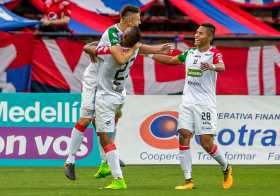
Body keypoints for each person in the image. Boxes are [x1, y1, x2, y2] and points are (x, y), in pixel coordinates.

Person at [64, 4, 171, 180]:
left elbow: (136, 45)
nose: (140, 22)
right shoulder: (113, 34)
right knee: (86, 118)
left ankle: (107, 159)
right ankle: (70, 160)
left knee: (111, 119)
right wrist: (90, 48)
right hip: (95, 80)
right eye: (138, 18)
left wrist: (156, 49)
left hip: (109, 83)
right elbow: (120, 56)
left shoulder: (127, 36)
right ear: (128, 19)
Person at [150, 23, 233, 190]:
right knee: (183, 135)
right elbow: (172, 60)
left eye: (200, 33)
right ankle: (188, 181)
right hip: (187, 102)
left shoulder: (214, 54)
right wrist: (150, 54)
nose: (196, 35)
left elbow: (222, 67)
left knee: (206, 143)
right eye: (196, 33)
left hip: (205, 104)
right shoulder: (190, 53)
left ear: (209, 37)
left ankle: (226, 167)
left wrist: (212, 66)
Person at [93, 26, 141, 189]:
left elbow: (92, 49)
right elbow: (127, 53)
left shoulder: (112, 52)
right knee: (99, 126)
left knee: (104, 137)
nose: (120, 36)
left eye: (124, 35)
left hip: (106, 97)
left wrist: (91, 48)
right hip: (119, 94)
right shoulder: (134, 51)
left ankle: (117, 178)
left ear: (128, 40)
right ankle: (108, 161)